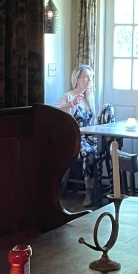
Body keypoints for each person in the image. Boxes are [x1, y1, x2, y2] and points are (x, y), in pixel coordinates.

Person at [55, 64, 99, 206]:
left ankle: (109, 188)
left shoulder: (90, 98)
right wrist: (70, 104)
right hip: (75, 139)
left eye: (90, 77)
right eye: (86, 77)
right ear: (77, 79)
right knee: (89, 152)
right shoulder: (68, 96)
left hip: (90, 136)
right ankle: (89, 192)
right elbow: (52, 111)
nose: (89, 80)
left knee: (107, 148)